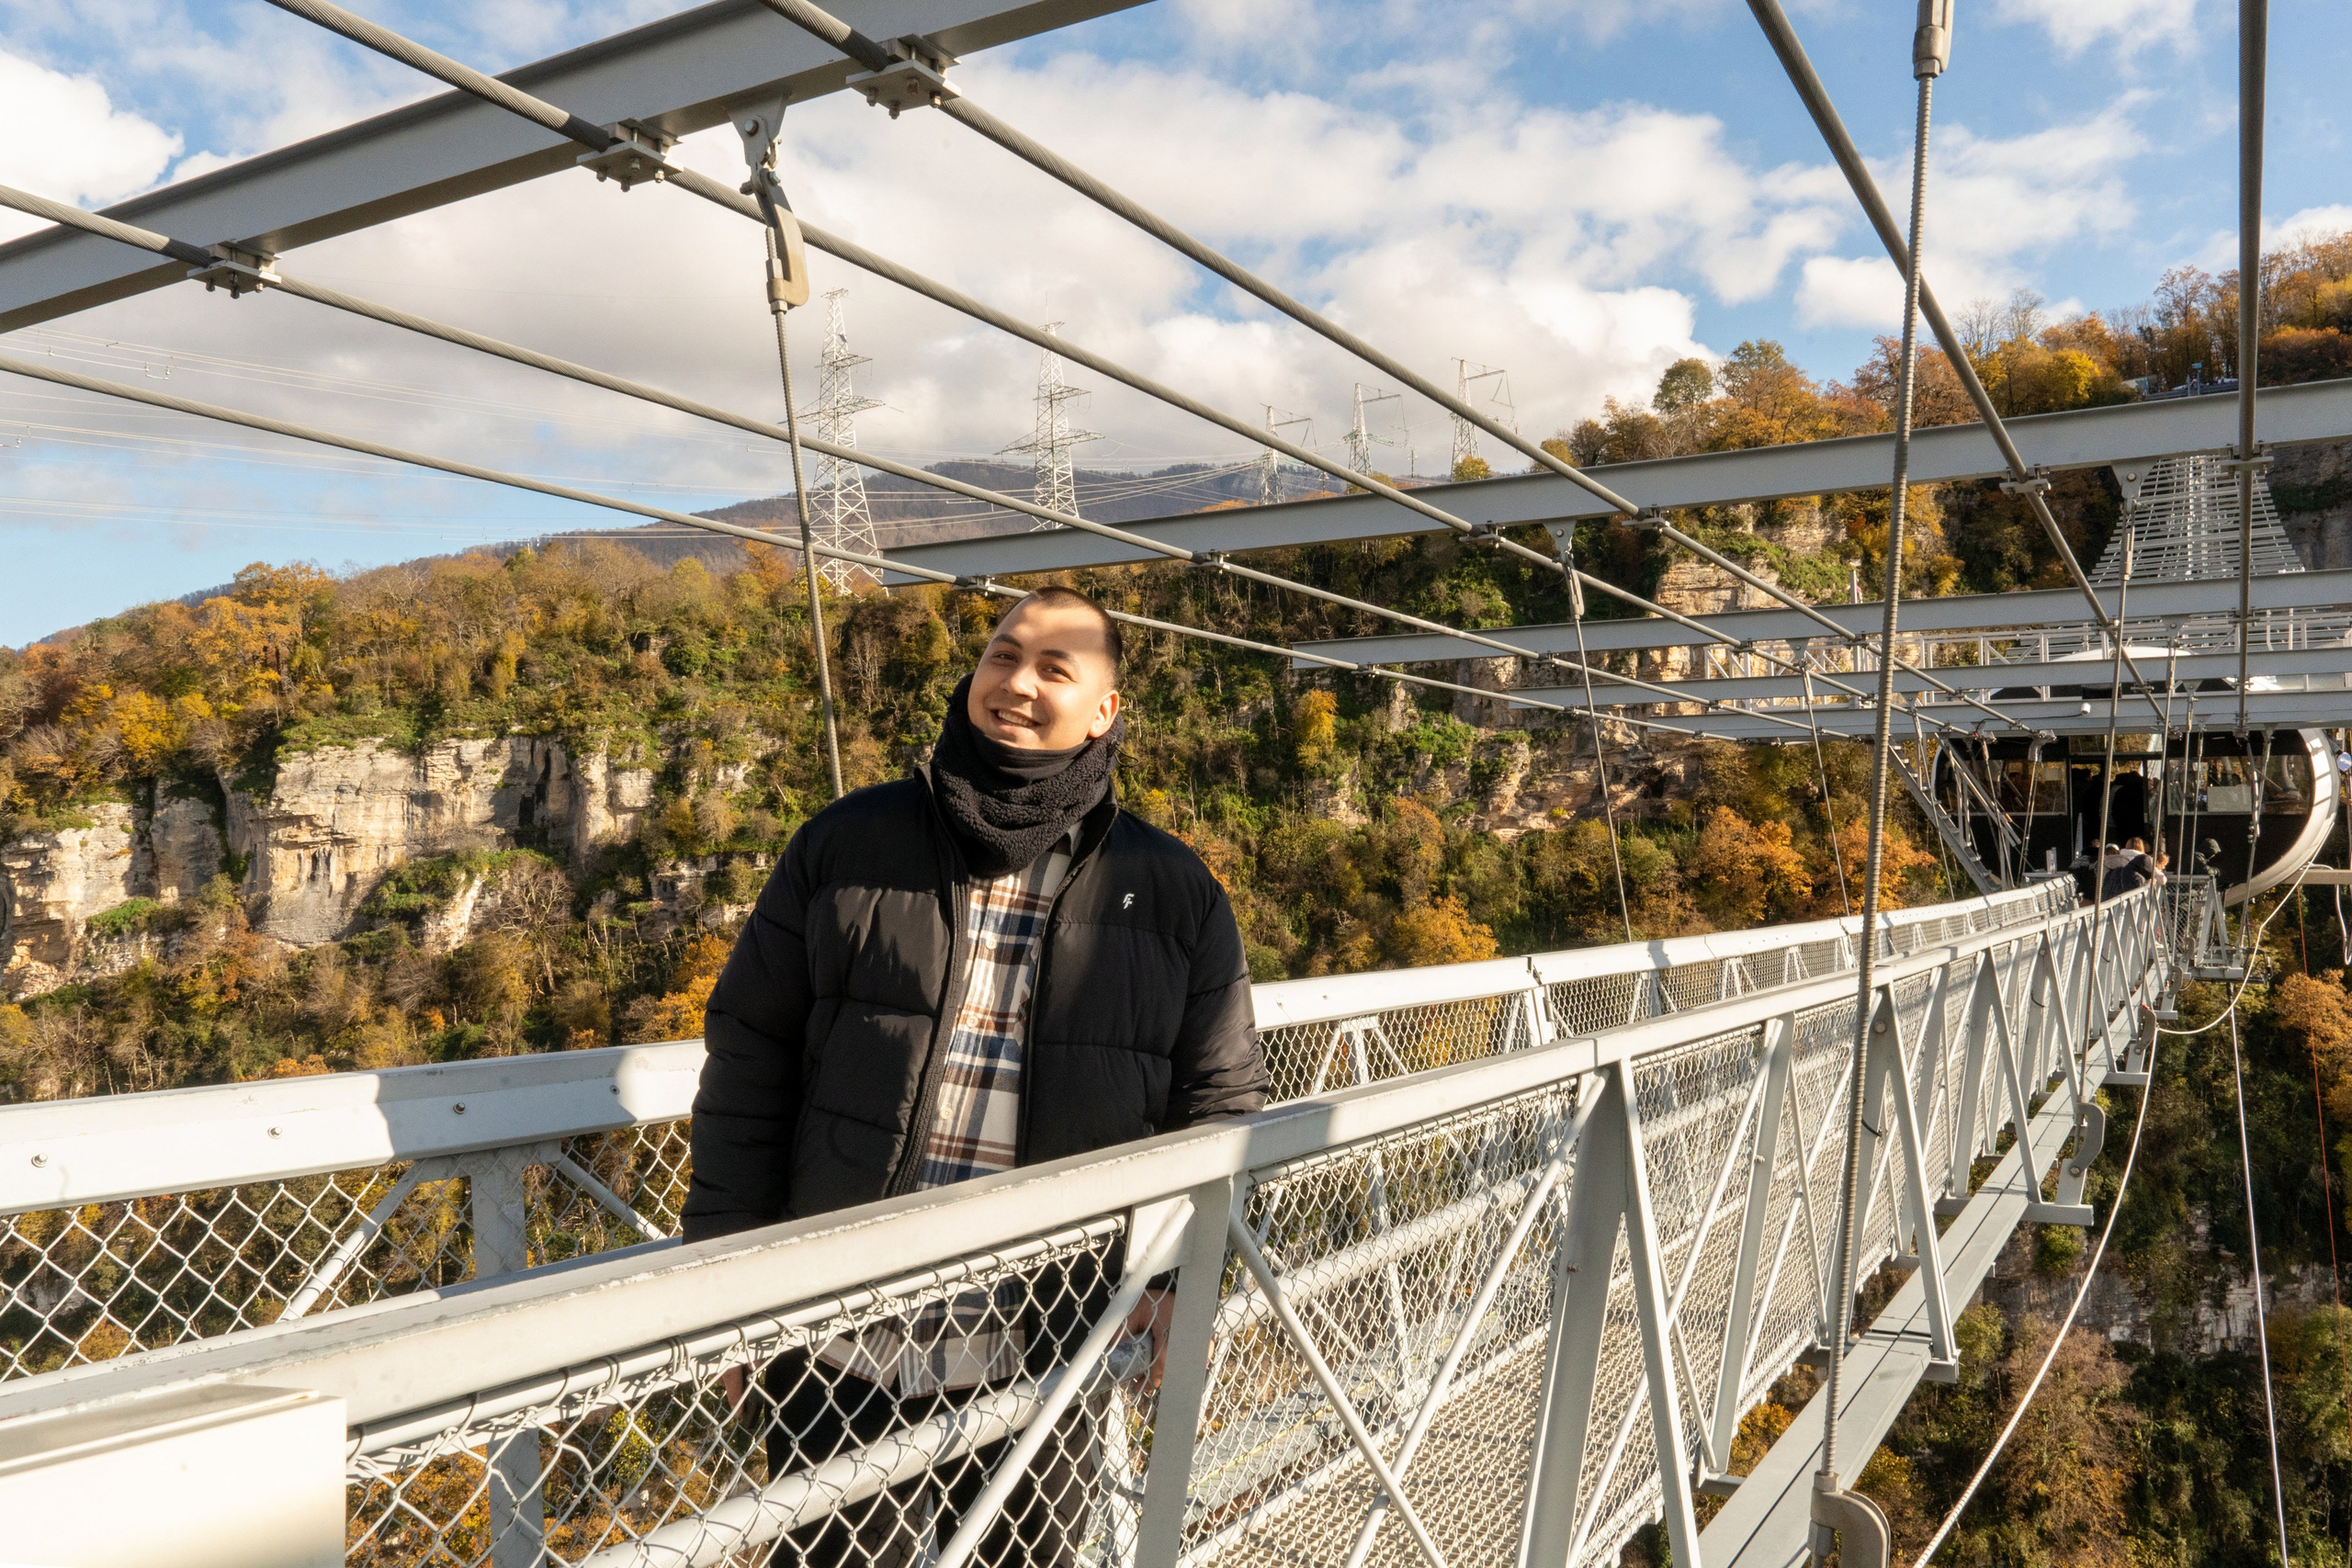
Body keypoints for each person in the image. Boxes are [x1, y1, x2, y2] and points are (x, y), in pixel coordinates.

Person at [683, 584, 1269, 1564]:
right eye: (1002, 655)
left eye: (1054, 667)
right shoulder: (845, 843)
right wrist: (726, 1275)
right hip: (839, 1333)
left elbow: (1217, 1101)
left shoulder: (1174, 889)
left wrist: (1176, 1278)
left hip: (1047, 1337)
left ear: (1105, 710)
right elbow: (750, 1053)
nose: (1017, 682)